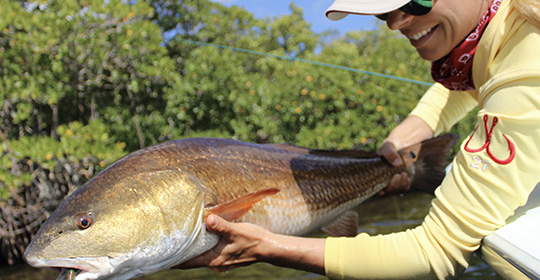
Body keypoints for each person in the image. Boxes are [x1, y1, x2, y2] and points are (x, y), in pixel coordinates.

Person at [179, 0, 540, 278]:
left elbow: (435, 252)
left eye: (414, 2)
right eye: (382, 13)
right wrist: (413, 129)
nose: (396, 23)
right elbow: (468, 80)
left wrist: (263, 246)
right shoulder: (504, 26)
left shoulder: (527, 70)